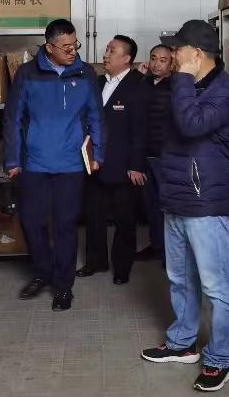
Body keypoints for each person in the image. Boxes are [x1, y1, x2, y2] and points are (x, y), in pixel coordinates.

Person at [140, 20, 229, 393]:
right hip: (176, 197)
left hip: (206, 204)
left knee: (216, 286)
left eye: (177, 50)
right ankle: (182, 343)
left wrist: (180, 79)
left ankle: (219, 359)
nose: (171, 55)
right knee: (180, 278)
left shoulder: (224, 91)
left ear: (196, 54)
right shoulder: (186, 85)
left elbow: (191, 124)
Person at [4, 18, 105, 312]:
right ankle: (42, 272)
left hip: (71, 164)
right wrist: (13, 159)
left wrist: (98, 154)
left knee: (65, 226)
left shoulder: (86, 73)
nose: (73, 51)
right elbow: (13, 118)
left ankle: (63, 286)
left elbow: (96, 116)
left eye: (75, 45)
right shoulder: (27, 74)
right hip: (34, 163)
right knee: (32, 222)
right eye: (66, 47)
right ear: (49, 47)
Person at [77, 35, 147, 284]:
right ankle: (96, 262)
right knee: (93, 216)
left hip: (123, 166)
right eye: (106, 49)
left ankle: (122, 268)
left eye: (111, 50)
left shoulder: (138, 86)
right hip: (95, 163)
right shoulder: (97, 82)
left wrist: (136, 165)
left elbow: (140, 131)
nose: (105, 54)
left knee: (124, 220)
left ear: (126, 58)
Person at [135, 44, 173, 260]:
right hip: (145, 154)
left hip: (165, 156)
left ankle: (170, 253)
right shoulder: (145, 83)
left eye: (163, 60)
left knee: (167, 205)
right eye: (153, 58)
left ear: (171, 64)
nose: (157, 64)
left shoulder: (175, 85)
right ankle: (156, 245)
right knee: (151, 204)